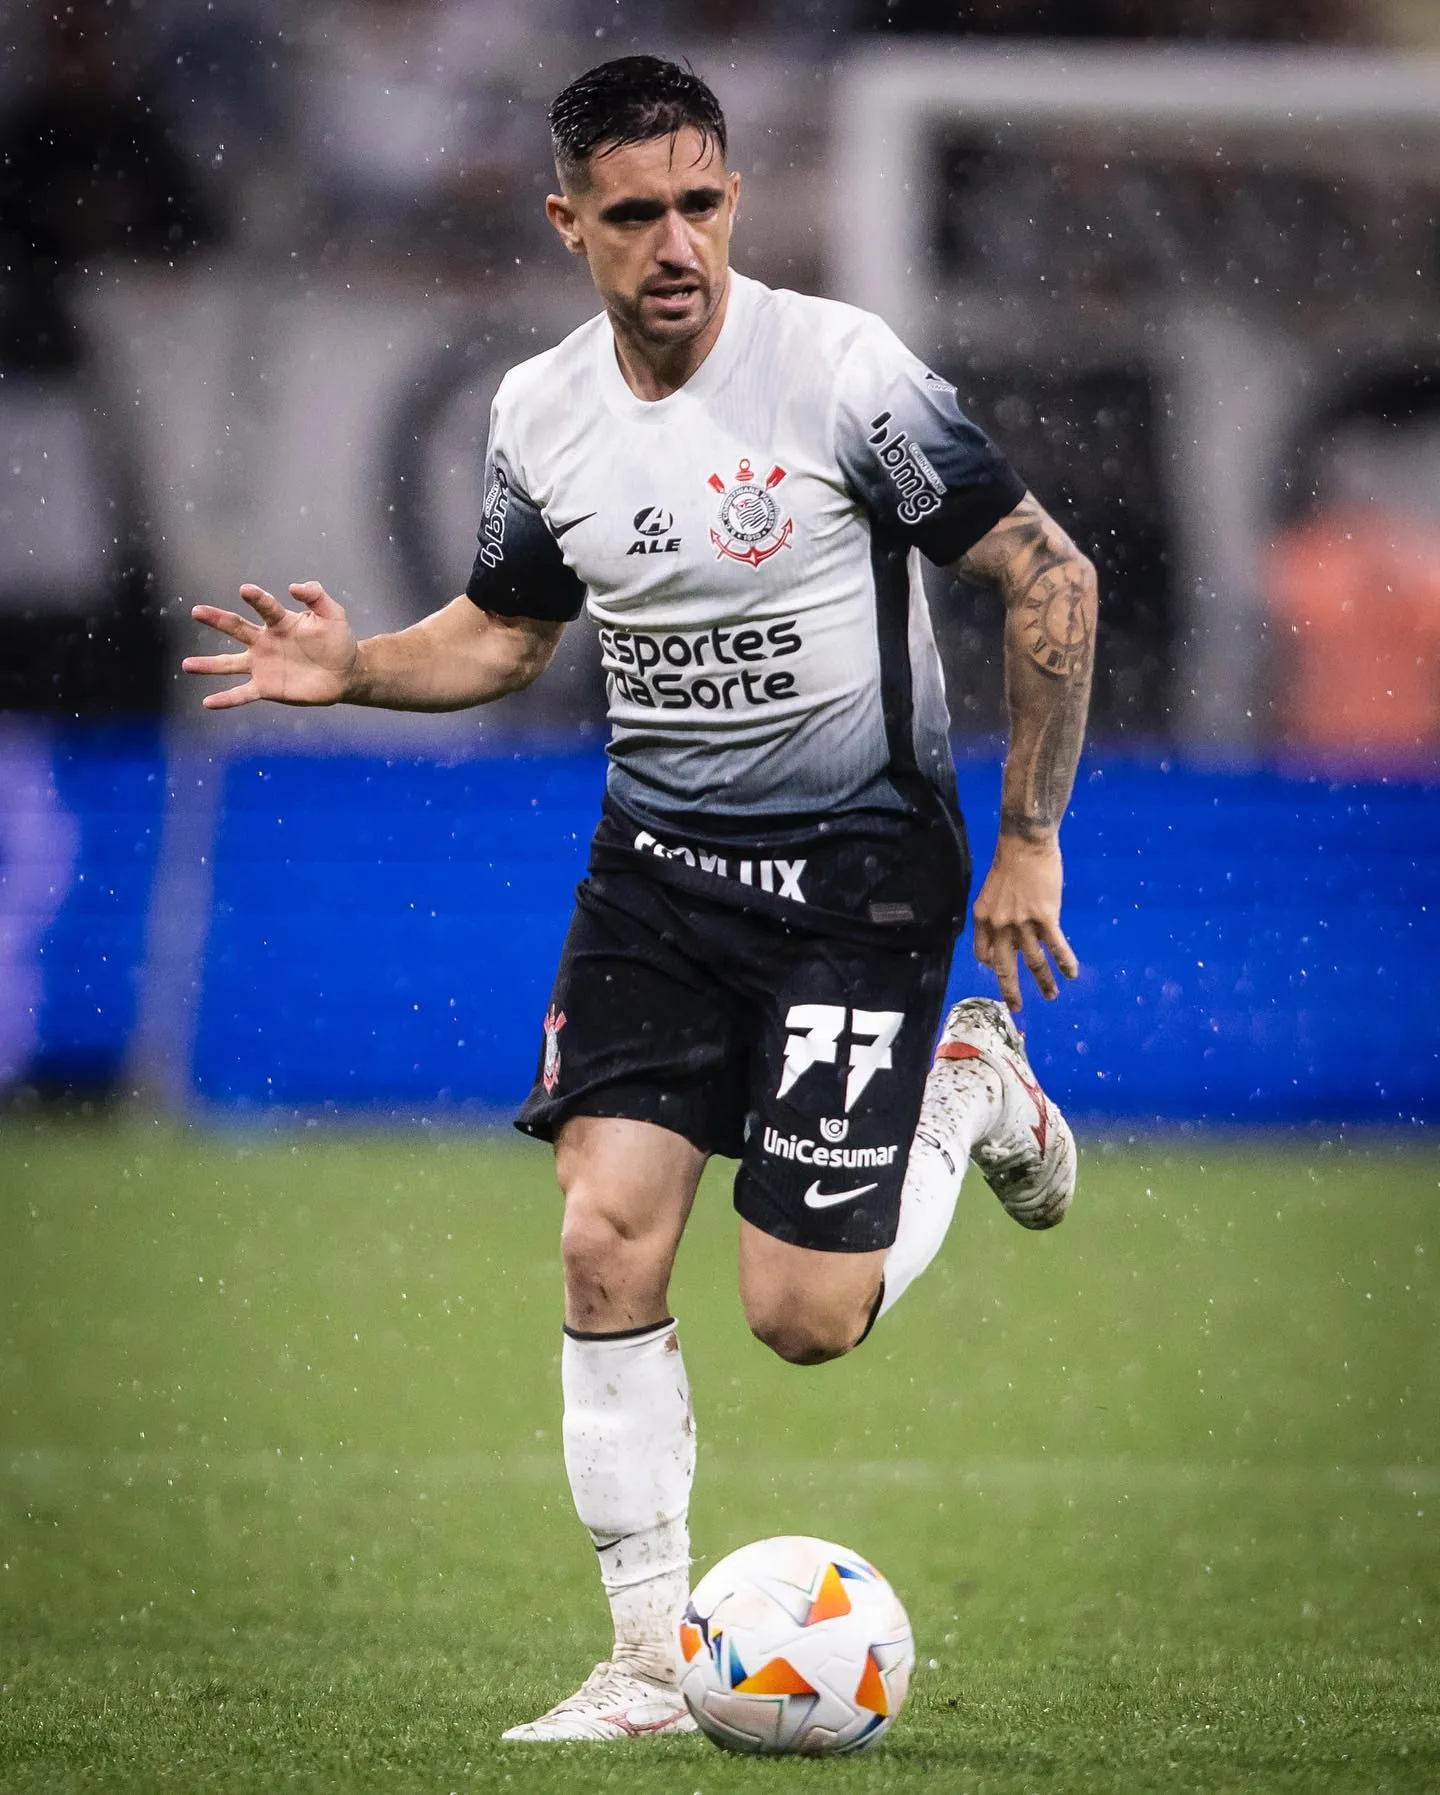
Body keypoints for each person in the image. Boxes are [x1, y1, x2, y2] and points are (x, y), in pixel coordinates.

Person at [184, 55, 1097, 1742]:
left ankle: (966, 1092)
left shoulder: (842, 373)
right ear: (567, 224)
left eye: (699, 201)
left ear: (733, 197)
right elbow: (507, 634)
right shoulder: (540, 412)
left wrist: (1028, 837)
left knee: (802, 1320)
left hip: (857, 885)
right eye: (633, 213)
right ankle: (640, 1660)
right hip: (658, 879)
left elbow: (1049, 571)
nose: (674, 241)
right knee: (604, 1237)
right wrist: (358, 666)